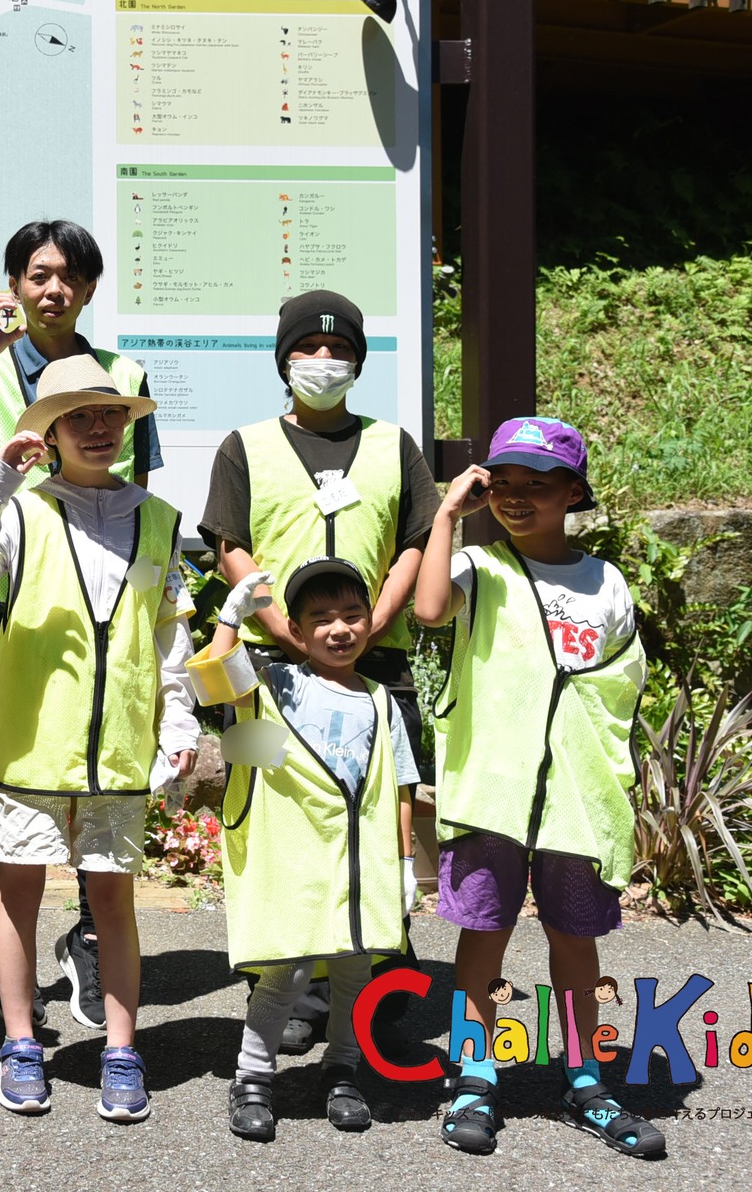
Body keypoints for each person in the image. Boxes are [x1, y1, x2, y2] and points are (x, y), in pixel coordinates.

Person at [0, 354, 199, 1122]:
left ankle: (122, 1047)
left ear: (127, 424)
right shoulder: (20, 510)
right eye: (77, 415)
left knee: (114, 899)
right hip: (31, 744)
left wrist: (177, 718)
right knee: (17, 893)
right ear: (47, 431)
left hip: (119, 748)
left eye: (109, 413)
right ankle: (21, 1040)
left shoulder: (157, 517)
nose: (97, 426)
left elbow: (170, 634)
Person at [413, 416, 663, 1160]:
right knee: (482, 934)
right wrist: (447, 516)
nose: (518, 497)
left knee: (575, 937)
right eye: (504, 483)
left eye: (538, 484)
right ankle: (473, 1072)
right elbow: (428, 610)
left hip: (575, 798)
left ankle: (584, 1074)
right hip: (494, 787)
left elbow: (618, 689)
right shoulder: (478, 568)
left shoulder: (605, 581)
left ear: (574, 493)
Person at [198, 287, 438, 1054]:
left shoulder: (393, 443)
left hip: (375, 657)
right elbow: (229, 542)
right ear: (283, 359)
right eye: (308, 349)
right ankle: (278, 981)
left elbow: (413, 540)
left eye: (339, 351)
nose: (324, 361)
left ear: (360, 362)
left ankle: (368, 982)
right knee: (263, 817)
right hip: (268, 666)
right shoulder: (246, 444)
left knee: (375, 806)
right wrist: (281, 627)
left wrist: (374, 618)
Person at [0, 220, 164, 1031]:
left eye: (69, 274)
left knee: (103, 797)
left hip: (108, 596)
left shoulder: (121, 372)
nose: (52, 288)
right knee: (28, 792)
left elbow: (138, 484)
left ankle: (95, 952)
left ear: (91, 287)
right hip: (18, 592)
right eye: (37, 274)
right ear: (15, 283)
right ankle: (20, 1011)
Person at [204, 561, 417, 1141]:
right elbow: (214, 682)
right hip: (296, 857)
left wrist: (404, 865)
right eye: (320, 618)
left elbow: (399, 785)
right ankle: (252, 1077)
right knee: (289, 968)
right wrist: (231, 617)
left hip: (358, 864)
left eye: (352, 614)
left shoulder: (380, 699)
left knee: (356, 969)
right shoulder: (277, 686)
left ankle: (342, 1070)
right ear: (295, 630)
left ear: (372, 623)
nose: (339, 629)